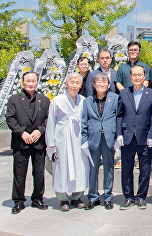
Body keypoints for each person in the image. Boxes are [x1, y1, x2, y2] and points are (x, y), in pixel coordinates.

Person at [6, 71, 51, 214]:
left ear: (37, 82)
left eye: (33, 81)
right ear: (23, 82)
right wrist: (22, 133)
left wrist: (40, 131)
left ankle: (38, 198)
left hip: (38, 143)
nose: (30, 83)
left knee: (39, 173)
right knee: (19, 173)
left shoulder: (44, 100)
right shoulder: (14, 99)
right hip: (21, 142)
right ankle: (18, 201)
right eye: (28, 81)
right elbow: (10, 119)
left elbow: (48, 119)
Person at [46, 73, 90, 212]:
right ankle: (63, 198)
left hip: (78, 140)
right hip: (62, 139)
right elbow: (51, 122)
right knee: (62, 167)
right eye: (72, 82)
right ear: (66, 83)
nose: (75, 85)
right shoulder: (57, 100)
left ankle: (77, 196)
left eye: (78, 83)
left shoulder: (83, 100)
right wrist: (51, 144)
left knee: (79, 166)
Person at [116, 65, 152, 210]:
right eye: (134, 75)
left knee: (144, 170)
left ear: (144, 76)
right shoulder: (124, 93)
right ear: (130, 76)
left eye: (140, 75)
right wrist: (119, 134)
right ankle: (128, 197)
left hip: (145, 137)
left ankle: (141, 197)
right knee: (127, 170)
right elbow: (119, 115)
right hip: (127, 137)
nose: (137, 77)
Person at [81, 73, 119, 210]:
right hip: (93, 139)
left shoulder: (115, 98)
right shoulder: (87, 101)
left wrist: (117, 137)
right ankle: (93, 197)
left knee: (109, 168)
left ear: (108, 84)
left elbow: (118, 118)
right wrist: (84, 140)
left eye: (104, 82)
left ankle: (108, 196)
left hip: (109, 138)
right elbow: (84, 122)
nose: (101, 84)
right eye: (99, 82)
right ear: (94, 85)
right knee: (93, 168)